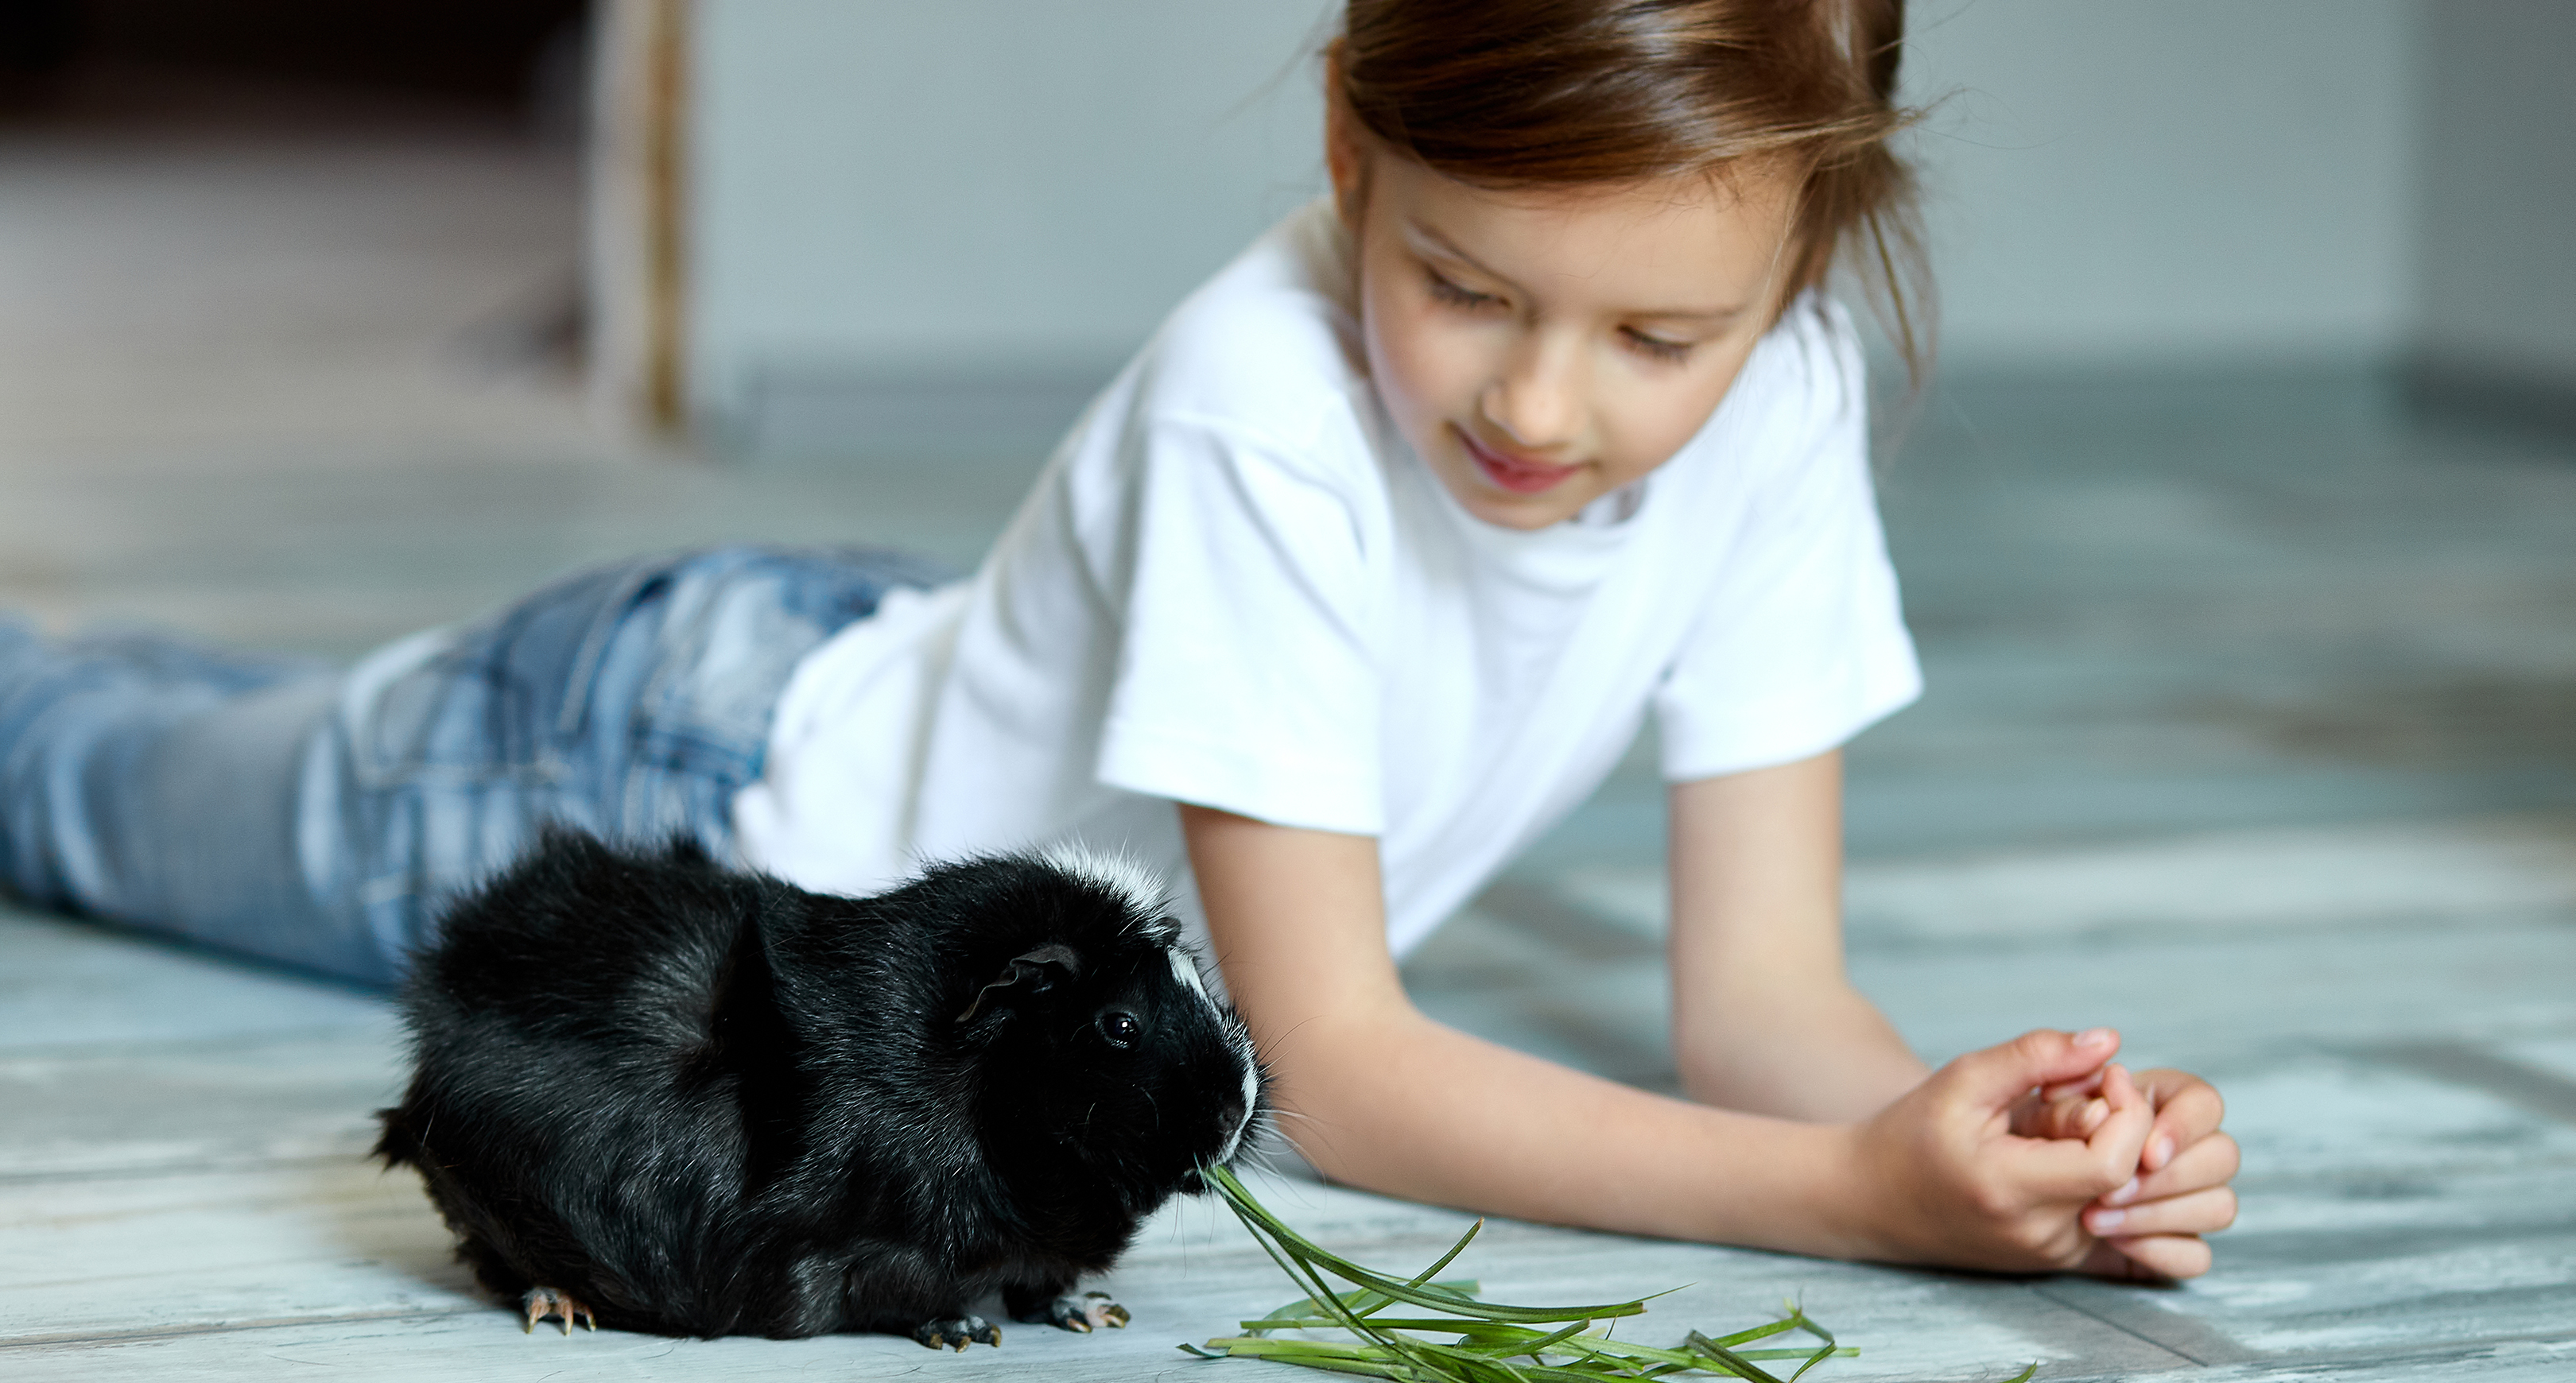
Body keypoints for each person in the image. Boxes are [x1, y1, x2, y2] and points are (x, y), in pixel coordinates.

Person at [0, 0, 2237, 1280]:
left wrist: (2002, 1147)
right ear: (1355, 149)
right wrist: (1852, 1205)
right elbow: (1333, 1071)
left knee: (171, 727)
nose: (1543, 407)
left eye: (1661, 332)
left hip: (876, 677)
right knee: (89, 781)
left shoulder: (1795, 395)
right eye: (1465, 287)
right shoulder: (1261, 390)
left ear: (1802, 270)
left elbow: (1761, 999)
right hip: (683, 818)